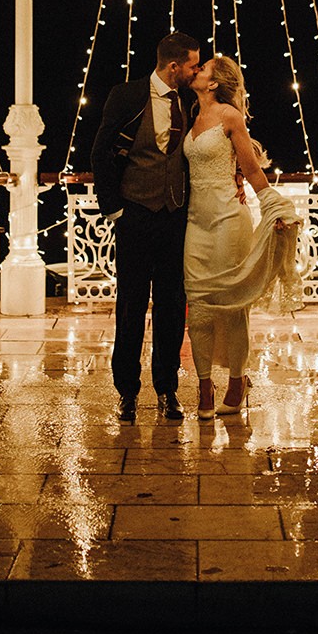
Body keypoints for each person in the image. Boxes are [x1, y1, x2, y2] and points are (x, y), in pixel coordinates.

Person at [91, 31, 201, 423]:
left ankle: (168, 390)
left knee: (172, 307)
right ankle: (127, 392)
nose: (196, 70)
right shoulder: (126, 95)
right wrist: (115, 210)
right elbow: (100, 152)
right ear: (174, 67)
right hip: (135, 215)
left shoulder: (189, 99)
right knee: (131, 306)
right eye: (192, 65)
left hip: (174, 216)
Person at [183, 55, 301, 419]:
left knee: (233, 307)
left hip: (229, 221)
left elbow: (250, 169)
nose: (196, 71)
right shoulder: (190, 115)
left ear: (215, 83)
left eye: (202, 69)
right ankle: (204, 385)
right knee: (198, 309)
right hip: (195, 223)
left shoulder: (229, 117)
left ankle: (236, 380)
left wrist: (274, 208)